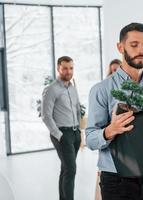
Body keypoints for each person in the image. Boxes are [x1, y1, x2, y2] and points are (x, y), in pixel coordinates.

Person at [86, 22, 143, 200]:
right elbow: (91, 140)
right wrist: (110, 130)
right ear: (120, 47)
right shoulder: (101, 90)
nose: (141, 50)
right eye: (134, 45)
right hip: (117, 182)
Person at [41, 56, 81, 200]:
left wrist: (80, 131)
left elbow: (77, 108)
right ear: (58, 68)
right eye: (65, 68)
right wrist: (59, 135)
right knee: (71, 170)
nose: (68, 71)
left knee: (66, 169)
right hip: (63, 133)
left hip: (75, 133)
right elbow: (46, 115)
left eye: (71, 68)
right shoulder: (51, 89)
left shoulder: (72, 87)